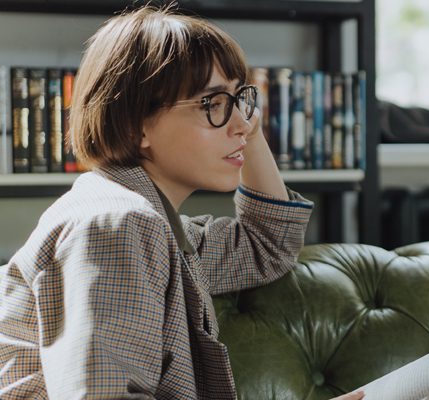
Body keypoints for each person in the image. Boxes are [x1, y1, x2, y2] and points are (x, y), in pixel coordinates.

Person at [0, 6, 364, 400]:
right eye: (212, 104)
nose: (241, 123)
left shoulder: (154, 225)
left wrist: (247, 130)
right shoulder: (117, 224)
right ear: (134, 125)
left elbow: (269, 244)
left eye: (239, 98)